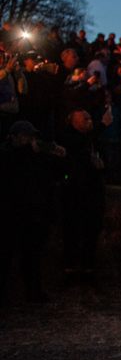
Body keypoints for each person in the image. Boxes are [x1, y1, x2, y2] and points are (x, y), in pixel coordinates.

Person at [0, 121, 65, 306]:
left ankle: (33, 292)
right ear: (16, 137)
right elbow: (11, 167)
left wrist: (56, 157)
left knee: (32, 256)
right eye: (26, 136)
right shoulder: (7, 154)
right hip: (10, 214)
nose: (30, 140)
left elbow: (54, 176)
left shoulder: (36, 157)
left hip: (33, 214)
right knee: (5, 256)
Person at [59, 108, 107, 281]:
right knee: (72, 232)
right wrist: (102, 126)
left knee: (90, 232)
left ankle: (88, 268)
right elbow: (78, 147)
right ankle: (70, 268)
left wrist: (101, 165)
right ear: (74, 121)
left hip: (92, 193)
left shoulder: (92, 140)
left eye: (89, 118)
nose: (89, 121)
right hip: (74, 192)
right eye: (85, 119)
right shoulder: (69, 137)